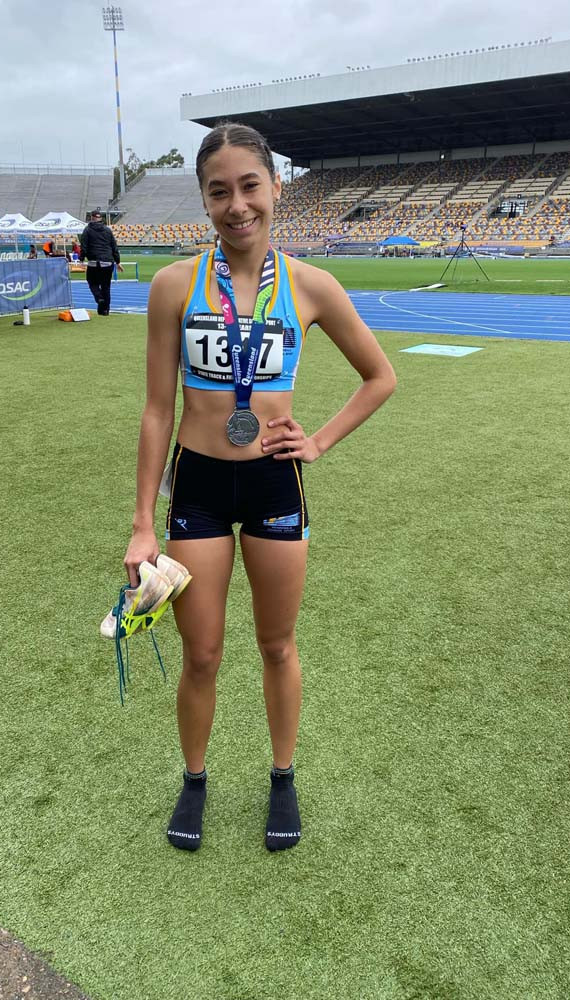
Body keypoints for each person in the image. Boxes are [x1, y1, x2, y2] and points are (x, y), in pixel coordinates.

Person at [121, 122, 396, 853]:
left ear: (277, 187)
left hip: (277, 483)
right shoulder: (174, 285)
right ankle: (195, 778)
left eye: (250, 185)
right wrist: (142, 523)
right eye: (220, 191)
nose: (237, 204)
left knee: (277, 645)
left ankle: (282, 777)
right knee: (201, 653)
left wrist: (319, 441)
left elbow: (382, 377)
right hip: (199, 489)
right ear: (205, 201)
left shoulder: (312, 285)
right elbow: (157, 409)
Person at [79, 211, 122, 315]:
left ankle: (99, 298)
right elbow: (114, 246)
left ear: (91, 217)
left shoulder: (87, 230)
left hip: (94, 261)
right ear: (100, 218)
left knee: (92, 282)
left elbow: (84, 246)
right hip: (108, 261)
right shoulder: (107, 230)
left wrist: (81, 259)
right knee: (106, 287)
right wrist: (118, 261)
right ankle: (105, 310)